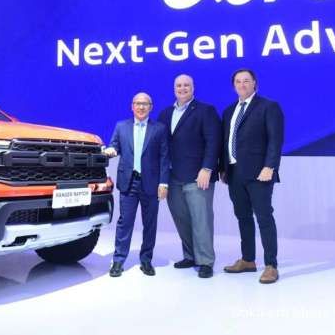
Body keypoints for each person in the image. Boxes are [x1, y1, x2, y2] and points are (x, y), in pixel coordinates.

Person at [220, 69, 284, 284]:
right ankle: (248, 260)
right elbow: (226, 141)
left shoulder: (268, 107)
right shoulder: (229, 111)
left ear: (254, 83)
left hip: (260, 173)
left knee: (264, 217)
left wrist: (270, 166)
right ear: (234, 86)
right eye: (238, 81)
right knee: (243, 217)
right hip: (234, 173)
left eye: (246, 81)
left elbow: (275, 140)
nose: (242, 84)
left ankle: (271, 265)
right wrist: (222, 167)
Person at [157, 74, 221, 278]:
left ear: (193, 88)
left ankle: (206, 261)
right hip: (173, 177)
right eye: (178, 85)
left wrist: (207, 168)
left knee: (201, 220)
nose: (182, 88)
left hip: (198, 176)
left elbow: (213, 141)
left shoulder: (205, 110)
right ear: (173, 88)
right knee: (181, 219)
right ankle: (191, 256)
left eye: (186, 85)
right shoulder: (165, 113)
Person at [104, 92, 169, 277]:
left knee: (150, 224)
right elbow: (114, 146)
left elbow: (164, 157)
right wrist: (111, 150)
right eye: (138, 103)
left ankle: (146, 260)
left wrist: (164, 183)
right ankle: (118, 261)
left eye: (145, 104)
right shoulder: (121, 126)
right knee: (125, 222)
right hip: (128, 182)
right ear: (132, 106)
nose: (141, 107)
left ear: (151, 107)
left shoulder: (159, 129)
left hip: (151, 183)